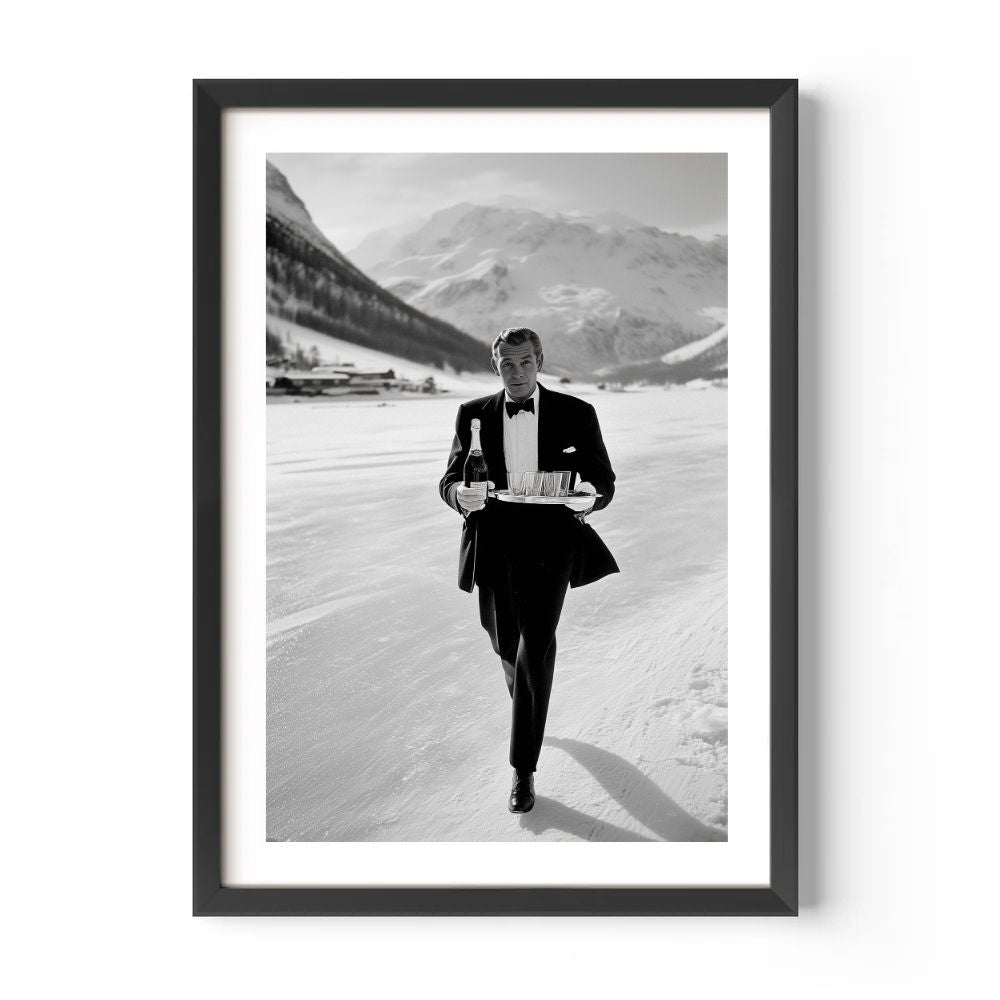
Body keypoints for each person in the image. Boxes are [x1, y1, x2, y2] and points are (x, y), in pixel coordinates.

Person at [439, 327, 619, 813]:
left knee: (534, 649)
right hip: (493, 546)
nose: (516, 373)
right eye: (506, 364)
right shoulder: (471, 414)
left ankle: (523, 769)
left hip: (551, 548)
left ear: (540, 361)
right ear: (494, 365)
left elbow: (603, 480)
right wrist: (460, 494)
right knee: (506, 645)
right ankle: (529, 706)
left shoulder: (577, 413)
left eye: (525, 362)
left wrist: (590, 497)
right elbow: (450, 478)